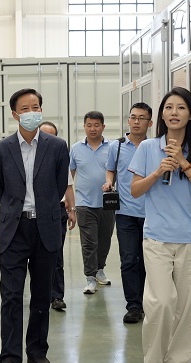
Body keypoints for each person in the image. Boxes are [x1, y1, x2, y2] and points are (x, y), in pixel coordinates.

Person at [129, 87, 191, 363]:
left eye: (180, 107)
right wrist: (156, 172)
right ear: (162, 115)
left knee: (186, 306)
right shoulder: (148, 148)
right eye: (168, 107)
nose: (174, 113)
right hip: (157, 238)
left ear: (190, 114)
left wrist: (184, 162)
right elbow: (135, 190)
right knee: (161, 302)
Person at [0, 88, 69, 363]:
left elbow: (59, 186)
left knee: (41, 294)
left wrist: (43, 209)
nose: (32, 112)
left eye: (36, 107)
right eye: (25, 108)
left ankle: (37, 350)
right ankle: (10, 359)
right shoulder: (1, 149)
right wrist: (18, 210)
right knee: (11, 295)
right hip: (14, 228)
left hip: (46, 227)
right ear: (15, 114)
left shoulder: (57, 146)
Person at [102, 103, 153, 324]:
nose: (136, 121)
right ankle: (133, 306)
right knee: (129, 259)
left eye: (141, 118)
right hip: (125, 213)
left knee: (149, 261)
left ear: (150, 123)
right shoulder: (117, 146)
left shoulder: (153, 146)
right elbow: (110, 169)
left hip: (152, 213)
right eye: (133, 117)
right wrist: (108, 182)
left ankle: (148, 302)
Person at [69, 111, 115, 295]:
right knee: (89, 243)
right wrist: (70, 202)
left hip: (107, 203)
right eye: (89, 125)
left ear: (103, 127)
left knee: (104, 241)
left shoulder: (112, 147)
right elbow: (70, 176)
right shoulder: (76, 148)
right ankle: (90, 278)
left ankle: (99, 270)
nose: (92, 129)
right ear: (84, 127)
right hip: (84, 204)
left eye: (96, 125)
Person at [38, 121, 76, 311]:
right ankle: (38, 294)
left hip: (56, 212)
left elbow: (68, 186)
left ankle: (57, 296)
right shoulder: (28, 156)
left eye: (51, 136)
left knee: (56, 256)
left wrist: (72, 210)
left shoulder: (60, 158)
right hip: (33, 213)